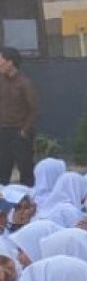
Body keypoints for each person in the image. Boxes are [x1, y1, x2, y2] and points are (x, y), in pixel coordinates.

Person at [0, 46, 38, 186]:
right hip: (3, 131)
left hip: (20, 132)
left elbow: (33, 109)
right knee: (2, 170)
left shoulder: (24, 83)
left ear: (10, 62)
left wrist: (24, 131)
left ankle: (27, 201)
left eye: (1, 59)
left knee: (26, 170)